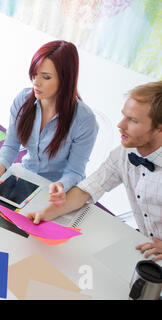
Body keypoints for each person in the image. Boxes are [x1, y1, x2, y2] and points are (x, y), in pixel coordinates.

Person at [26, 81, 162, 261]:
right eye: (124, 116)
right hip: (145, 247)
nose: (120, 125)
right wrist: (45, 214)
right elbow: (87, 189)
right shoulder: (123, 154)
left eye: (133, 120)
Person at [0, 40, 99, 199]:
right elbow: (11, 145)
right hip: (25, 178)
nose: (36, 82)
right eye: (34, 74)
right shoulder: (23, 100)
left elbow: (75, 171)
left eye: (46, 77)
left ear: (65, 79)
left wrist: (59, 186)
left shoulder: (84, 120)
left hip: (57, 191)